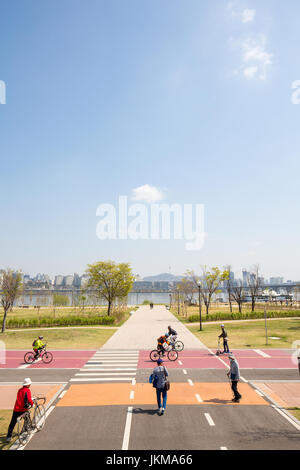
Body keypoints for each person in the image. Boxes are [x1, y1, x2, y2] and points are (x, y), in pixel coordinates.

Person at [6, 378, 34, 442]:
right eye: (29, 384)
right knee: (27, 419)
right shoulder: (27, 390)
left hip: (16, 408)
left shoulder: (20, 390)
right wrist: (32, 404)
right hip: (23, 409)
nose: (30, 385)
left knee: (12, 423)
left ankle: (8, 436)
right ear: (27, 385)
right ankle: (26, 429)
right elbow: (29, 399)